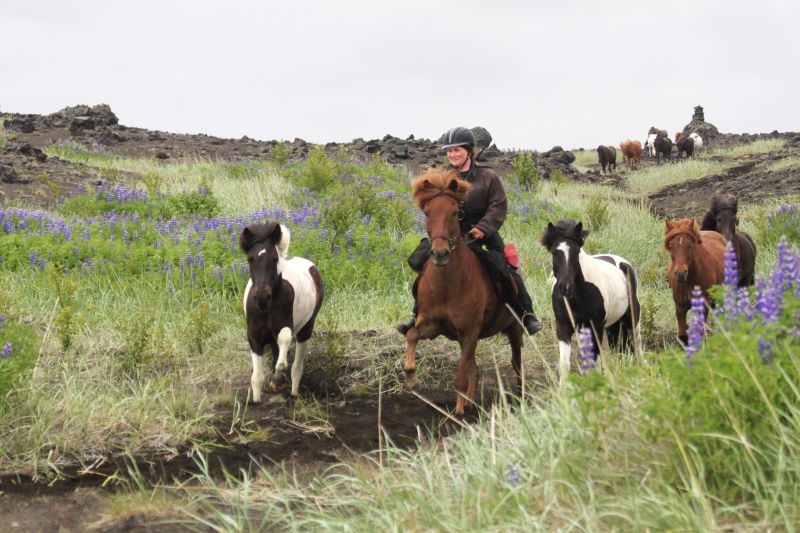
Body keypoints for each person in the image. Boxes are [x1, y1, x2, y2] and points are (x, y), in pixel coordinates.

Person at [397, 126, 543, 336]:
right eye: (449, 151)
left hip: (483, 233)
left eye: (457, 150)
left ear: (469, 151)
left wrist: (482, 228)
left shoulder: (488, 176)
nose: (452, 155)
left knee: (503, 268)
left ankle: (525, 313)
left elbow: (498, 205)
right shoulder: (444, 177)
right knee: (422, 264)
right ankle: (417, 314)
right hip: (450, 234)